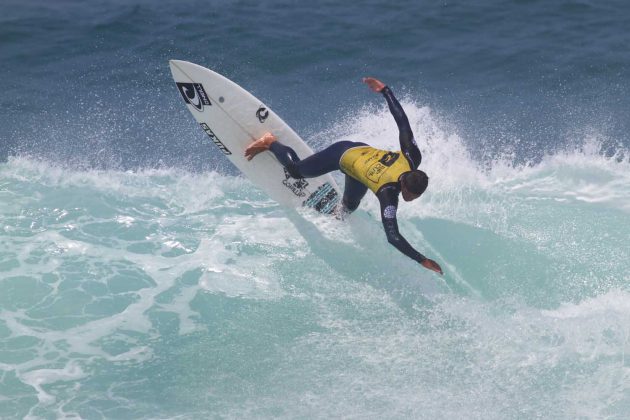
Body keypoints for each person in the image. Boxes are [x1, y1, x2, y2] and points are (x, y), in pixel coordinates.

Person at [245, 77, 443, 275]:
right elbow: (393, 236)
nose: (411, 199)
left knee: (350, 205)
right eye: (411, 195)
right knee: (296, 172)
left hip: (358, 169)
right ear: (405, 185)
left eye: (416, 197)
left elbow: (402, 122)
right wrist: (421, 259)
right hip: (342, 154)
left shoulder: (412, 157)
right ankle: (270, 142)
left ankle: (336, 214)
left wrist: (386, 91)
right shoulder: (387, 193)